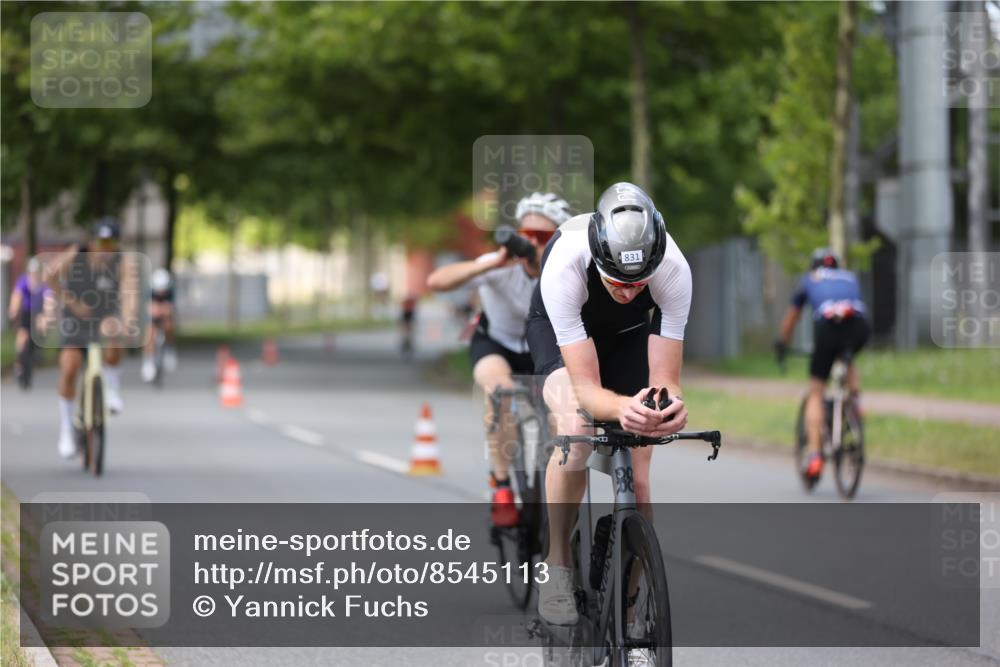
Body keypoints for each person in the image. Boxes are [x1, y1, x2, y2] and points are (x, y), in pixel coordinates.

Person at [526, 182, 692, 625]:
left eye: (639, 283)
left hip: (627, 337)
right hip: (561, 329)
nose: (628, 291)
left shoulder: (674, 270)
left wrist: (668, 406)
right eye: (617, 281)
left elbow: (666, 381)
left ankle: (636, 607)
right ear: (599, 257)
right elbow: (584, 387)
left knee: (639, 481)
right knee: (576, 434)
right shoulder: (566, 265)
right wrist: (620, 408)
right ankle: (557, 563)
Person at [427, 192, 572, 528]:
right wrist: (492, 263)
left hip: (544, 351)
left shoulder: (567, 271)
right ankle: (502, 486)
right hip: (496, 343)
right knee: (500, 392)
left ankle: (554, 488)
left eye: (542, 238)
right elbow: (436, 282)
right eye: (526, 235)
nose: (530, 244)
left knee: (560, 415)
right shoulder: (500, 265)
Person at [774, 247, 870, 481]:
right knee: (847, 357)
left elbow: (792, 318)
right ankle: (855, 402)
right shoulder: (849, 276)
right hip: (859, 326)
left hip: (828, 328)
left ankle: (815, 455)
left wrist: (781, 344)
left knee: (816, 391)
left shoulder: (809, 279)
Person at [45, 217, 137, 459]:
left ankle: (113, 388)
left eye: (111, 242)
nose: (105, 247)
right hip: (76, 318)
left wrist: (128, 319)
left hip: (105, 315)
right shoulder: (77, 254)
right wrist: (72, 303)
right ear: (93, 241)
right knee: (70, 367)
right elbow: (50, 275)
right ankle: (66, 428)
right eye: (101, 241)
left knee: (113, 330)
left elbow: (129, 293)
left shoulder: (122, 261)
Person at [7, 257, 53, 382]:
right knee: (22, 334)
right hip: (27, 312)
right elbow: (16, 296)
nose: (35, 275)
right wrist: (13, 310)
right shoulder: (23, 281)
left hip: (39, 312)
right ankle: (19, 361)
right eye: (32, 272)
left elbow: (49, 300)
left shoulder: (44, 284)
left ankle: (38, 347)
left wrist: (47, 316)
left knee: (41, 324)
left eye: (37, 272)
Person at [141, 268, 178, 382]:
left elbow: (171, 308)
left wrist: (165, 310)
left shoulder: (171, 291)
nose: (161, 292)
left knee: (169, 325)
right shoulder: (149, 291)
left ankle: (169, 349)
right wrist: (154, 310)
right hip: (153, 314)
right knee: (149, 332)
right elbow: (148, 307)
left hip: (165, 313)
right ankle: (148, 361)